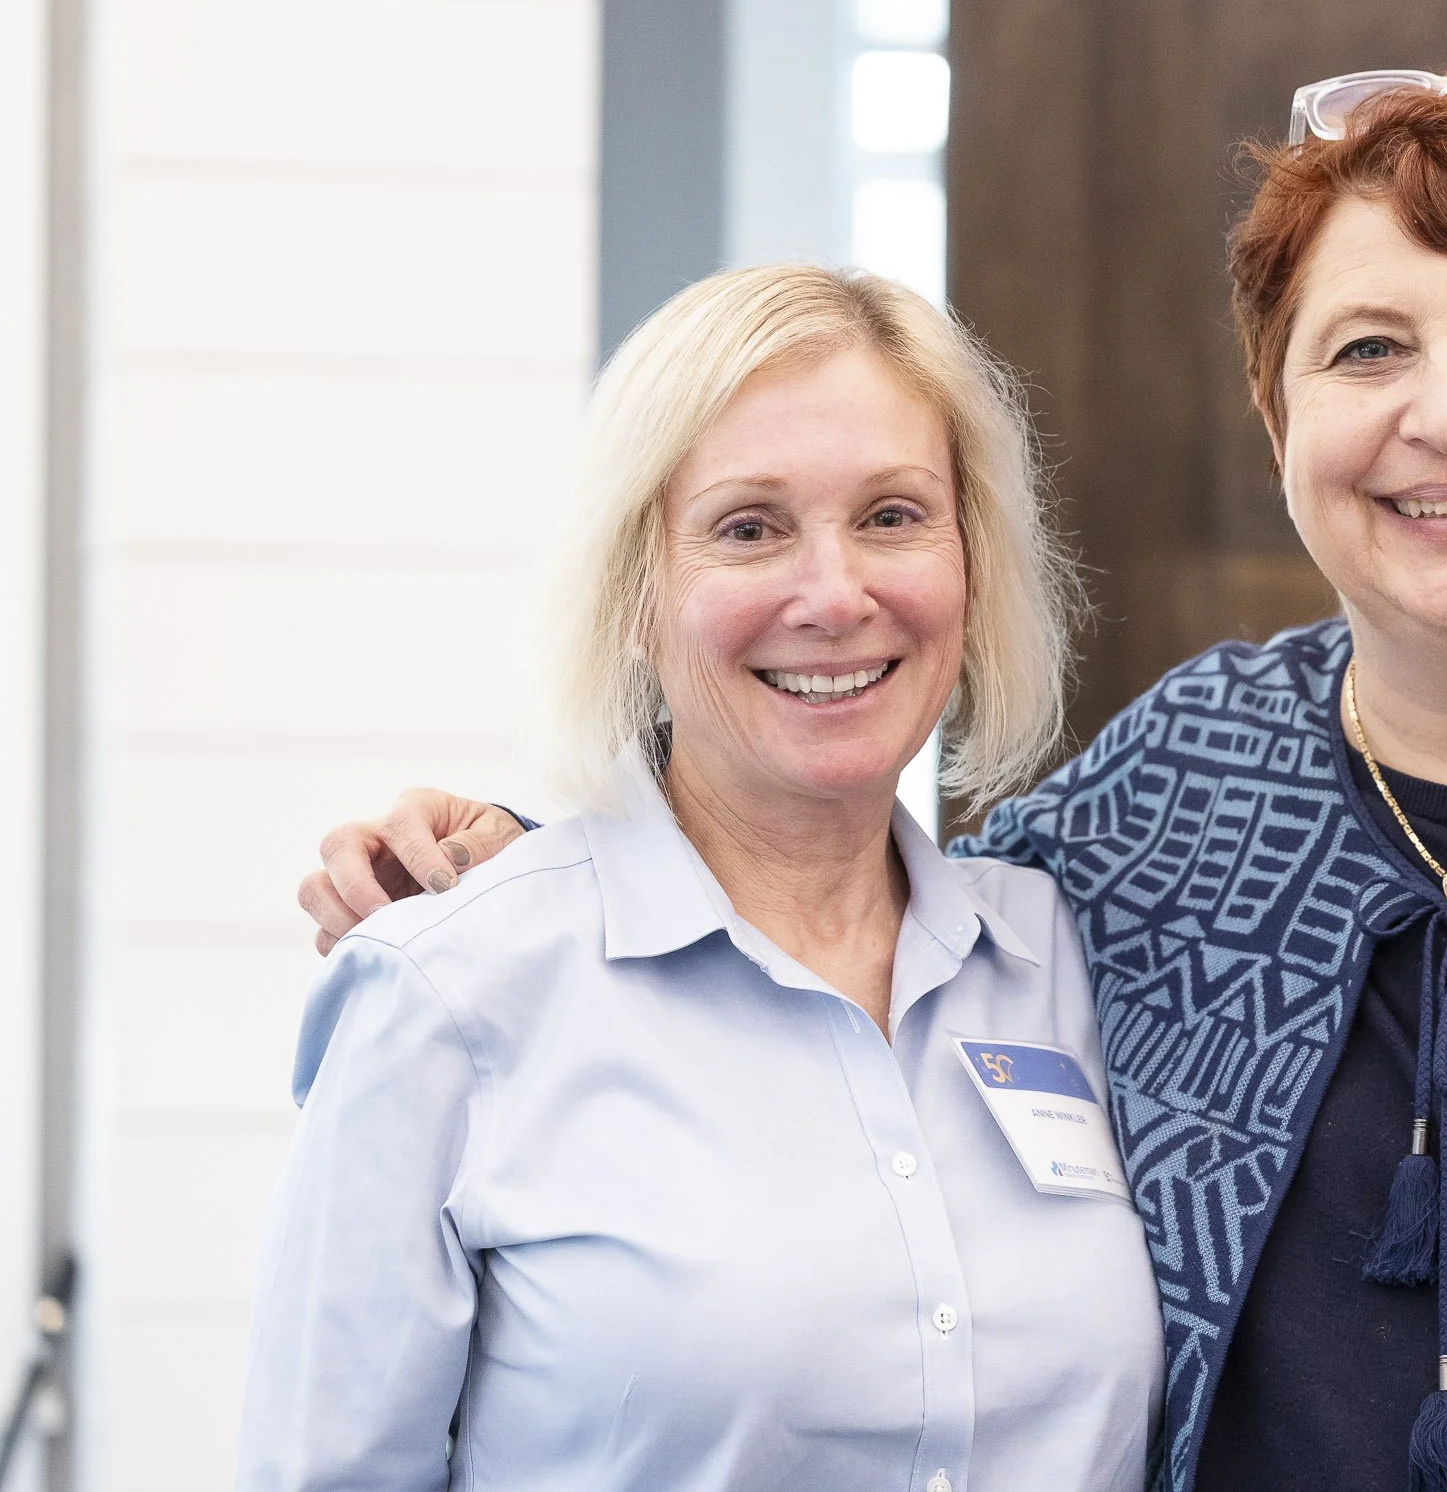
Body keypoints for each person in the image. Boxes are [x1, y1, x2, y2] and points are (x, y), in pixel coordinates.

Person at [295, 77, 1447, 1491]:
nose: (1444, 413)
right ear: (1285, 427)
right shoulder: (1177, 792)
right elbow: (835, 905)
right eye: (1367, 351)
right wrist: (536, 867)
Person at [241, 264, 1164, 1490]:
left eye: (893, 516)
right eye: (748, 528)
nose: (836, 595)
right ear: (636, 592)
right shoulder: (452, 997)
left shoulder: (1070, 959)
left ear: (972, 566)